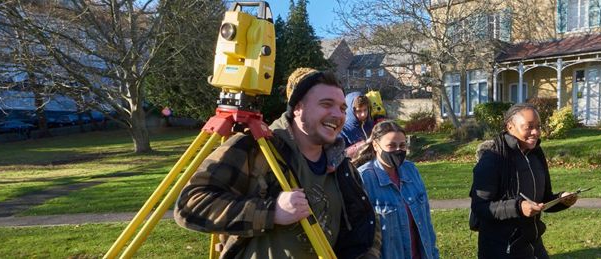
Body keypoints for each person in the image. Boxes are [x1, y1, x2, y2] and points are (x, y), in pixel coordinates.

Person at [174, 68, 381, 259]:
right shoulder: (256, 149)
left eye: (343, 108)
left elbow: (368, 225)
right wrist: (270, 212)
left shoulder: (343, 166)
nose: (338, 114)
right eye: (326, 104)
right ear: (298, 107)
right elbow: (191, 205)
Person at [469, 103, 579, 259]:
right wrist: (518, 207)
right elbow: (480, 207)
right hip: (501, 250)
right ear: (510, 127)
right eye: (528, 127)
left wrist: (562, 199)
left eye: (538, 126)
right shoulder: (493, 159)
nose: (535, 132)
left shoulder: (536, 154)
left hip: (534, 246)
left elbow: (543, 200)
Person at [353, 121, 440, 259]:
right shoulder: (363, 179)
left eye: (402, 145)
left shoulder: (411, 170)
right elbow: (359, 235)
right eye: (391, 146)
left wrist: (434, 254)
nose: (398, 150)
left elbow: (426, 223)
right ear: (375, 145)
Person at [341, 91, 374, 156]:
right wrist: (364, 144)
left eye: (365, 110)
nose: (363, 114)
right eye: (359, 111)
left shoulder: (370, 123)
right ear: (350, 111)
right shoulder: (343, 129)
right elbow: (341, 155)